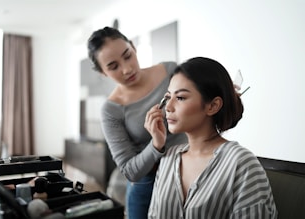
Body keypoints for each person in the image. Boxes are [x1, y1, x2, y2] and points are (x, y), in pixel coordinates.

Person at [146, 57, 277, 218]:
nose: (169, 107)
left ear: (213, 106)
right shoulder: (168, 158)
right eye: (167, 97)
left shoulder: (241, 163)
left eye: (180, 98)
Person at [87, 27, 187, 219]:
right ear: (102, 72)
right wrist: (157, 144)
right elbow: (130, 171)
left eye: (128, 55)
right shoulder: (111, 110)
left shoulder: (170, 71)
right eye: (113, 66)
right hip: (147, 186)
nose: (127, 69)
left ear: (133, 47)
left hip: (190, 171)